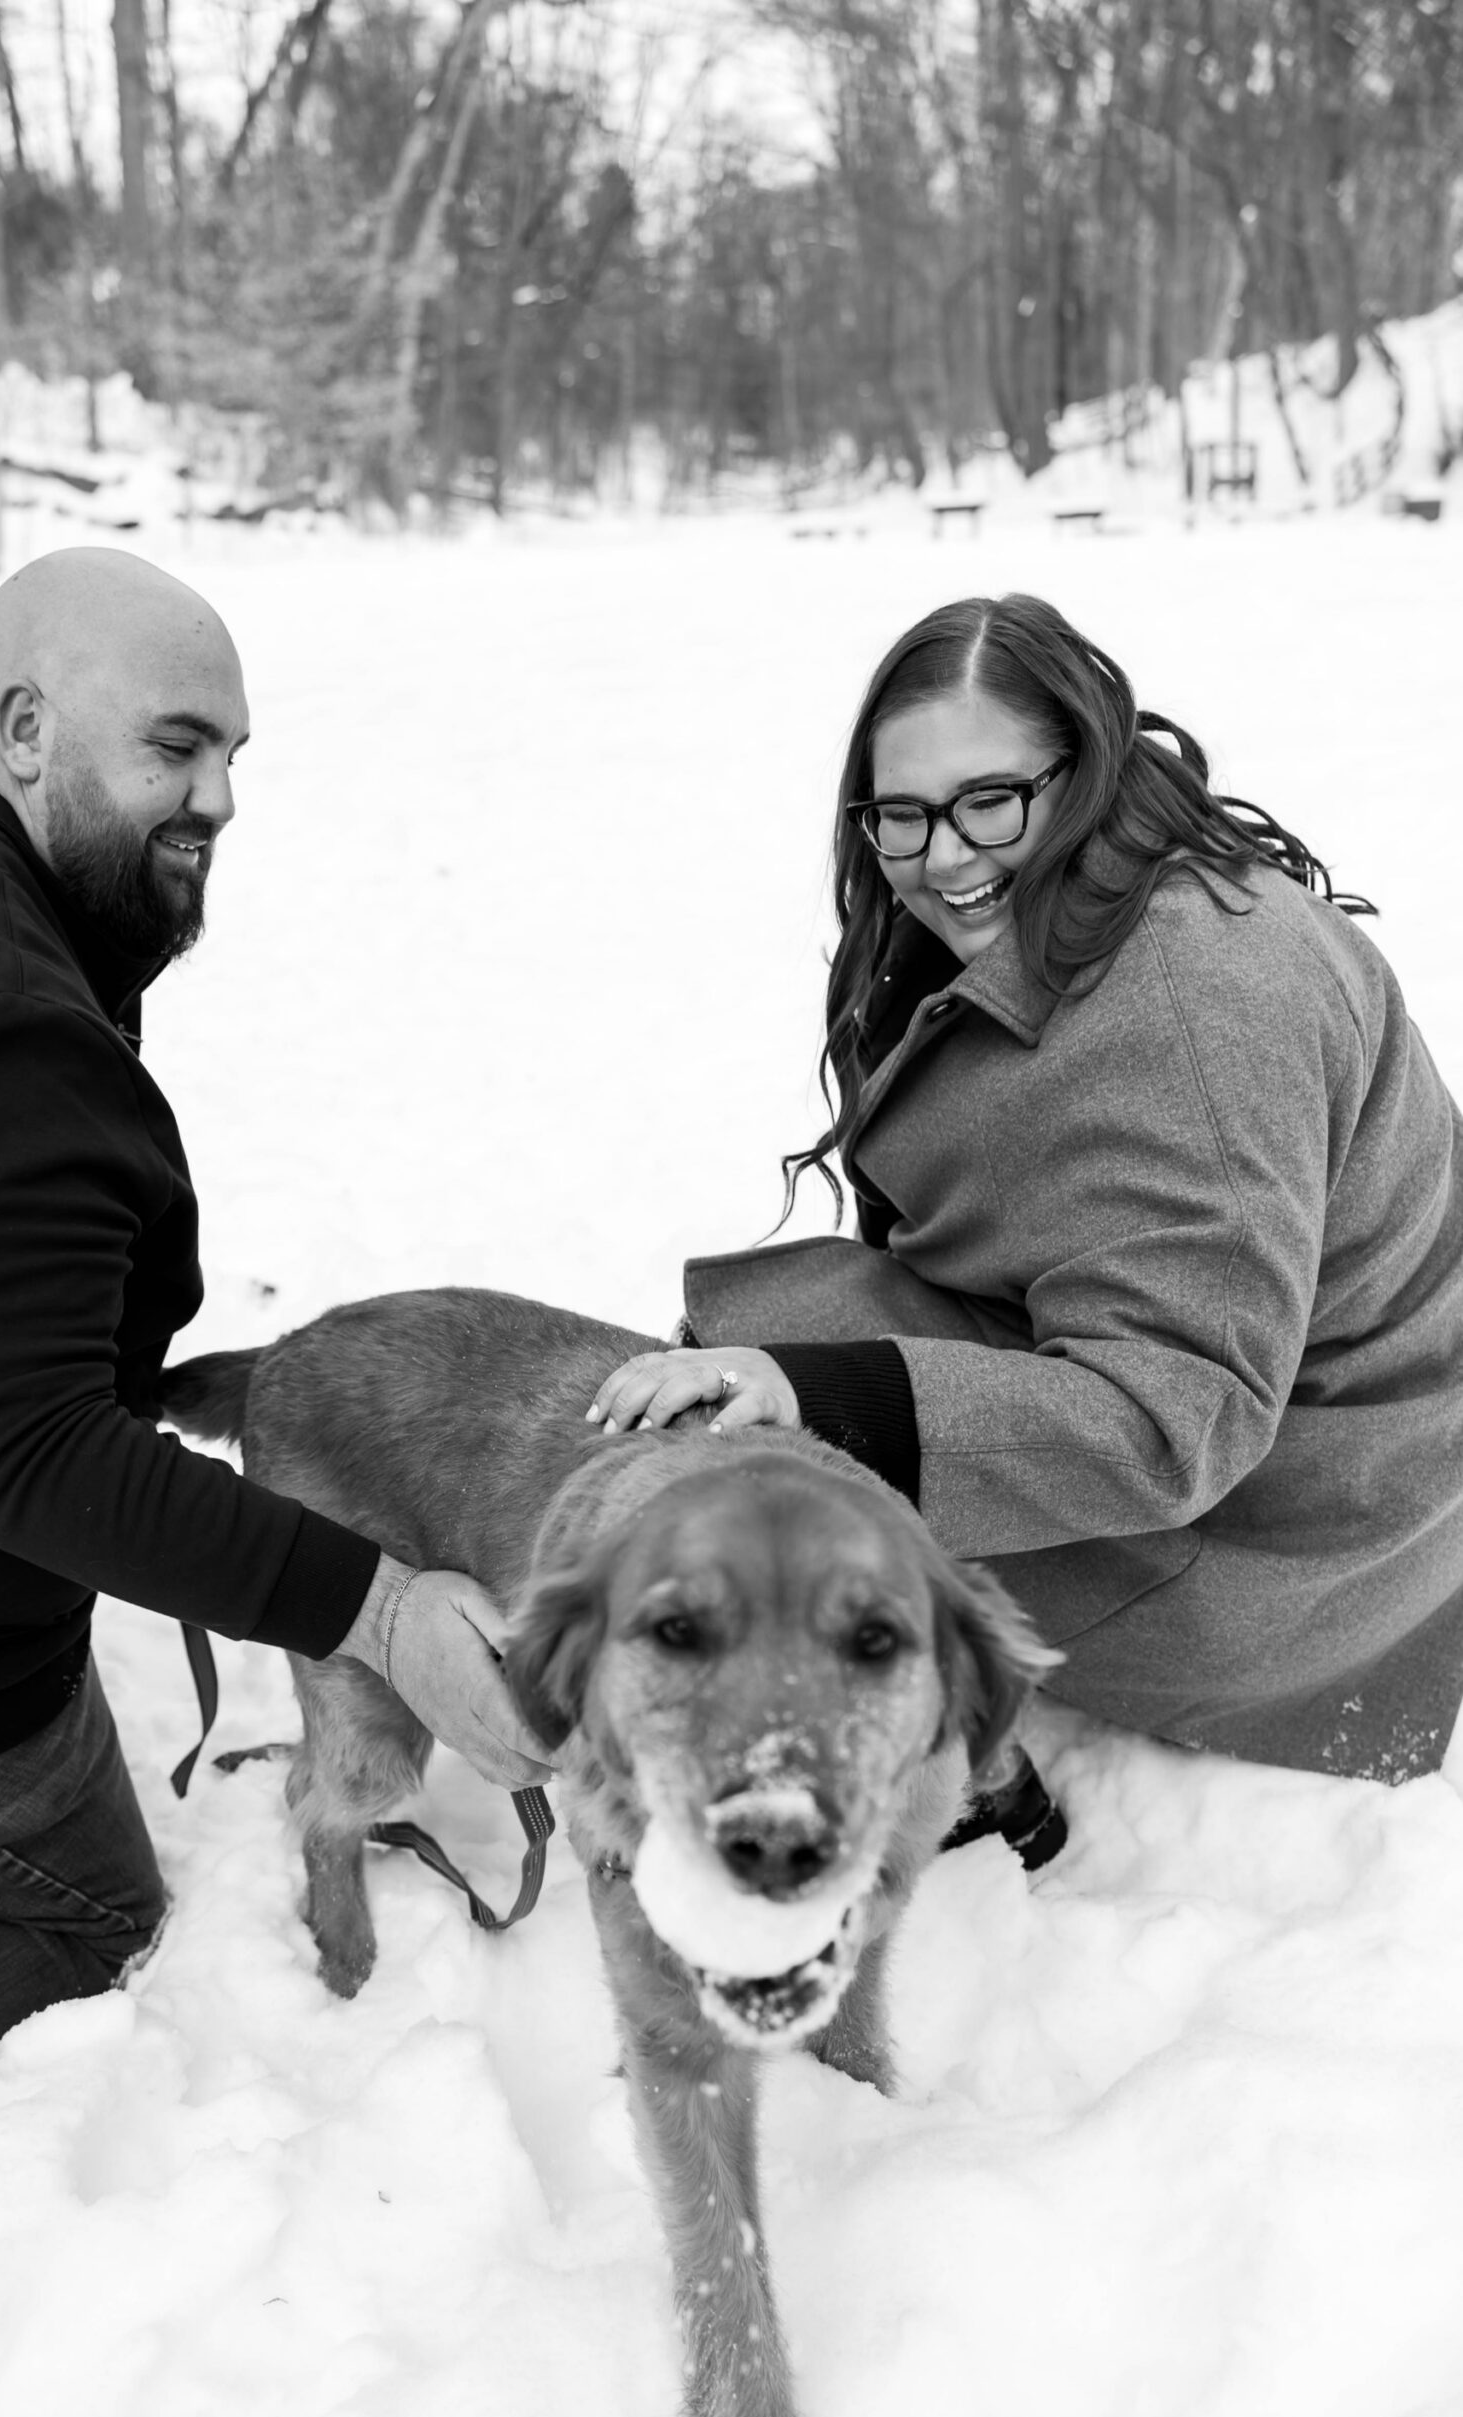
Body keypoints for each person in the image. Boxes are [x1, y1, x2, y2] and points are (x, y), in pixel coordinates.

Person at [0, 547, 546, 2193]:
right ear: (27, 724)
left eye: (237, 756)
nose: (222, 796)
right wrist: (379, 1607)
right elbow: (5, 1436)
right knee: (80, 1911)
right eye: (177, 746)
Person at [589, 592, 1463, 1792]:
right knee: (772, 1366)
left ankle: (945, 1767)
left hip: (1290, 1549)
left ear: (1087, 768)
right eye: (901, 816)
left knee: (771, 1428)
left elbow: (1180, 1418)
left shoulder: (1194, 999)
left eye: (988, 800)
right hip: (1326, 1473)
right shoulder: (1093, 900)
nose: (943, 855)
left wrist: (825, 1398)